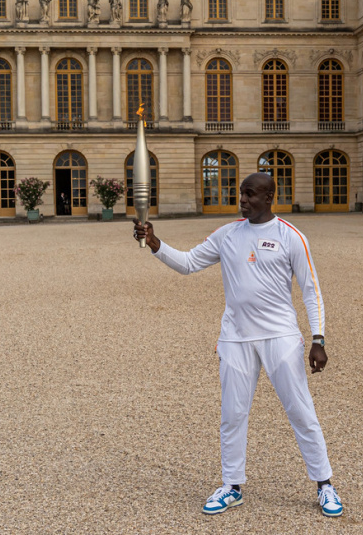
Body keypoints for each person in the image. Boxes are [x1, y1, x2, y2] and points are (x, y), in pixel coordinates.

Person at [132, 173, 343, 518]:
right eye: (241, 194)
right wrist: (155, 243)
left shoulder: (291, 236)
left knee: (301, 412)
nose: (242, 200)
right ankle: (232, 486)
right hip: (235, 337)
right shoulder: (227, 234)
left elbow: (311, 290)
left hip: (280, 337)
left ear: (269, 197)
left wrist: (318, 339)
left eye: (250, 194)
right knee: (232, 415)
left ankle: (325, 484)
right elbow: (188, 263)